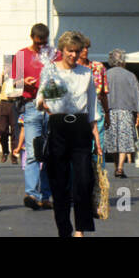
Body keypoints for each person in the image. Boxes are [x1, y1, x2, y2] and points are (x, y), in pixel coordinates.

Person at [36, 31, 102, 237]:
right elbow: (40, 99)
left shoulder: (86, 73)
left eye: (77, 51)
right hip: (58, 126)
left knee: (83, 181)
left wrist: (97, 138)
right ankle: (64, 229)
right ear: (61, 51)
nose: (73, 55)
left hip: (81, 127)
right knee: (59, 183)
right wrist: (45, 103)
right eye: (69, 51)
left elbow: (92, 106)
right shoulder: (51, 70)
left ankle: (80, 229)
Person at [14, 23, 54, 210]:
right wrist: (24, 82)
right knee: (32, 151)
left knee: (49, 153)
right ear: (32, 38)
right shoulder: (21, 55)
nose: (41, 47)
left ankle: (45, 196)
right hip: (31, 106)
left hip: (51, 107)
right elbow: (14, 83)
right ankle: (31, 193)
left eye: (44, 43)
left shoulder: (54, 55)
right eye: (38, 43)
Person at [104, 49, 139, 179]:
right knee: (124, 141)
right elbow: (137, 95)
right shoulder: (130, 75)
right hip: (126, 111)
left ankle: (118, 165)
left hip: (109, 111)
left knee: (112, 141)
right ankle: (120, 167)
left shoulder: (105, 74)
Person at [0, 58, 23, 162]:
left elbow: (21, 91)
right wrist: (1, 76)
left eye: (9, 66)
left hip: (14, 103)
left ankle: (14, 154)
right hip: (3, 103)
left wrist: (14, 94)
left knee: (15, 130)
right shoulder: (2, 77)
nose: (7, 68)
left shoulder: (18, 76)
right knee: (2, 130)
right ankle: (5, 151)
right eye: (5, 66)